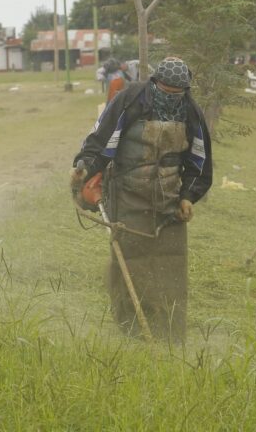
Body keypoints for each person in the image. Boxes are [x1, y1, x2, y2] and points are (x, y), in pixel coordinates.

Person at [71, 57, 213, 342]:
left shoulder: (190, 112)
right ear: (155, 83)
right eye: (166, 91)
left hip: (170, 200)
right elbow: (100, 140)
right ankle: (132, 330)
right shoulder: (130, 100)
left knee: (170, 265)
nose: (171, 97)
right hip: (128, 195)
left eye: (177, 93)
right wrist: (86, 168)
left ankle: (170, 331)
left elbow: (199, 161)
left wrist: (188, 196)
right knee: (131, 262)